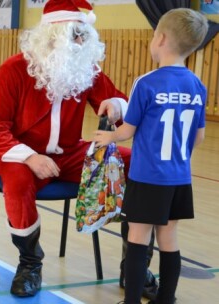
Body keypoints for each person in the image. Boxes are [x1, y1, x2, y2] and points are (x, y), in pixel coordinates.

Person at [0, 0, 155, 298]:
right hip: (20, 154)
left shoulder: (85, 69)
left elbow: (117, 99)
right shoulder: (14, 69)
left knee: (134, 163)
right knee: (19, 182)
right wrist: (30, 157)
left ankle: (134, 265)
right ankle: (30, 263)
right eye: (75, 34)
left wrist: (117, 105)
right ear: (53, 34)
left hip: (71, 153)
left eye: (84, 36)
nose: (80, 42)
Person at [94, 8, 208, 304]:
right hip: (179, 178)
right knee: (169, 239)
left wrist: (109, 136)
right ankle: (166, 299)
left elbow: (127, 130)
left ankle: (131, 301)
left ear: (160, 38)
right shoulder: (198, 86)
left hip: (147, 177)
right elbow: (199, 137)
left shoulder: (146, 83)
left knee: (138, 237)